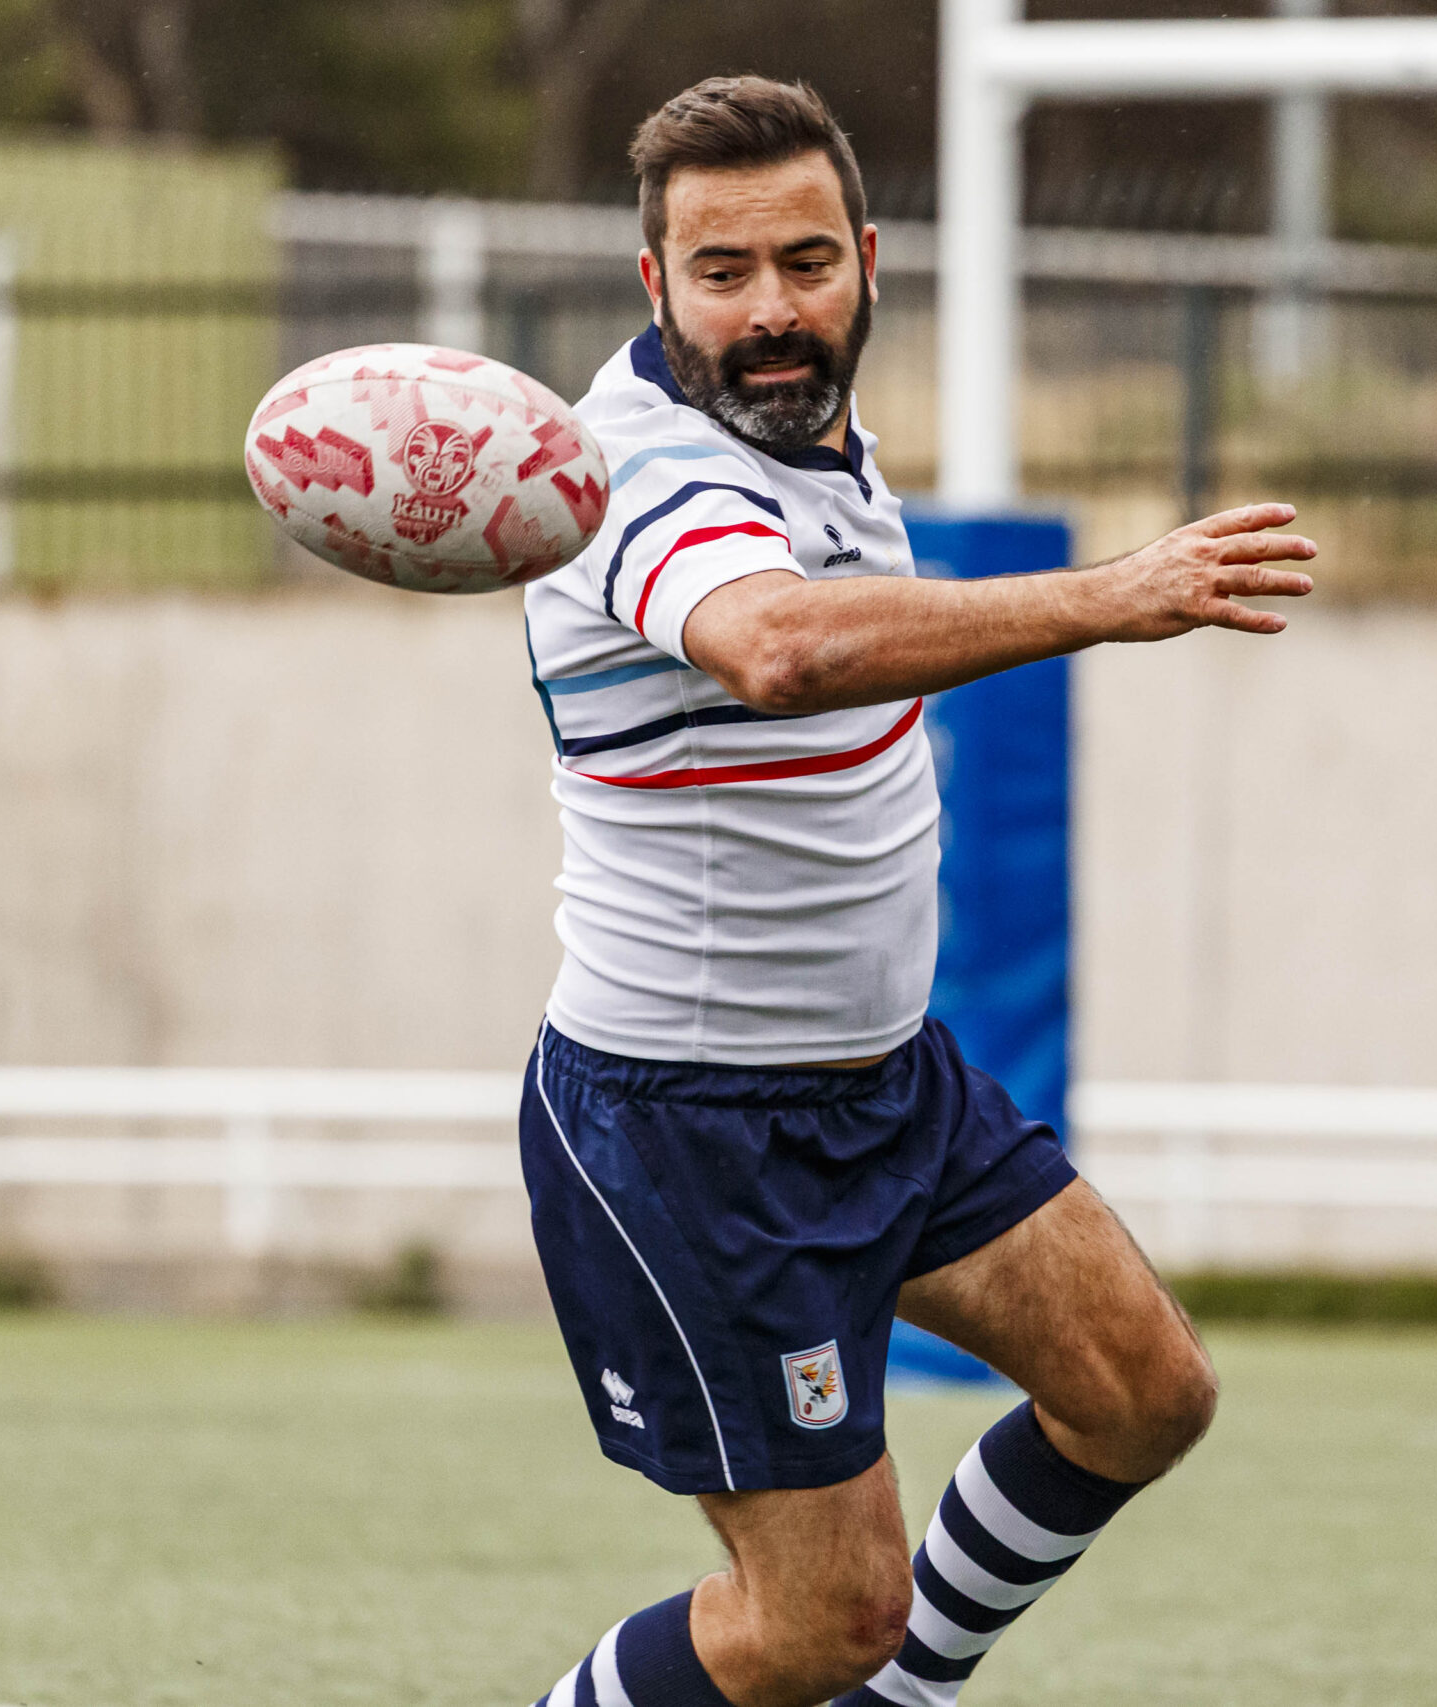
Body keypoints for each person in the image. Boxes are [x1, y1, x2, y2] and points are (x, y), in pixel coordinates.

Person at [516, 75, 1316, 1707]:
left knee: (1141, 1391)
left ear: (869, 262)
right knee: (819, 1614)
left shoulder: (815, 440)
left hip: (886, 1087)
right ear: (655, 288)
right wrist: (1108, 598)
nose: (772, 311)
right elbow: (779, 645)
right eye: (723, 273)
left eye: (805, 263)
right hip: (689, 1130)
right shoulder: (630, 473)